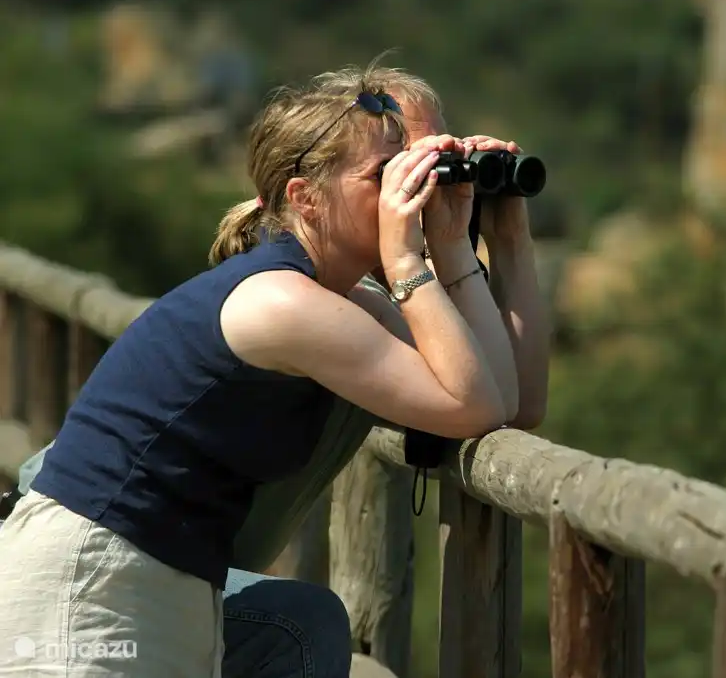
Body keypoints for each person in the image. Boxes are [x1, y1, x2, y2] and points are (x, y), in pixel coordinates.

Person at [0, 60, 523, 677]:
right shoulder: (280, 303)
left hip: (160, 583)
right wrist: (408, 253)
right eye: (382, 175)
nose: (403, 190)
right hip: (93, 581)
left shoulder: (336, 299)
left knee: (303, 626)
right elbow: (476, 405)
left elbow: (499, 395)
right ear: (305, 197)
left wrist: (468, 240)